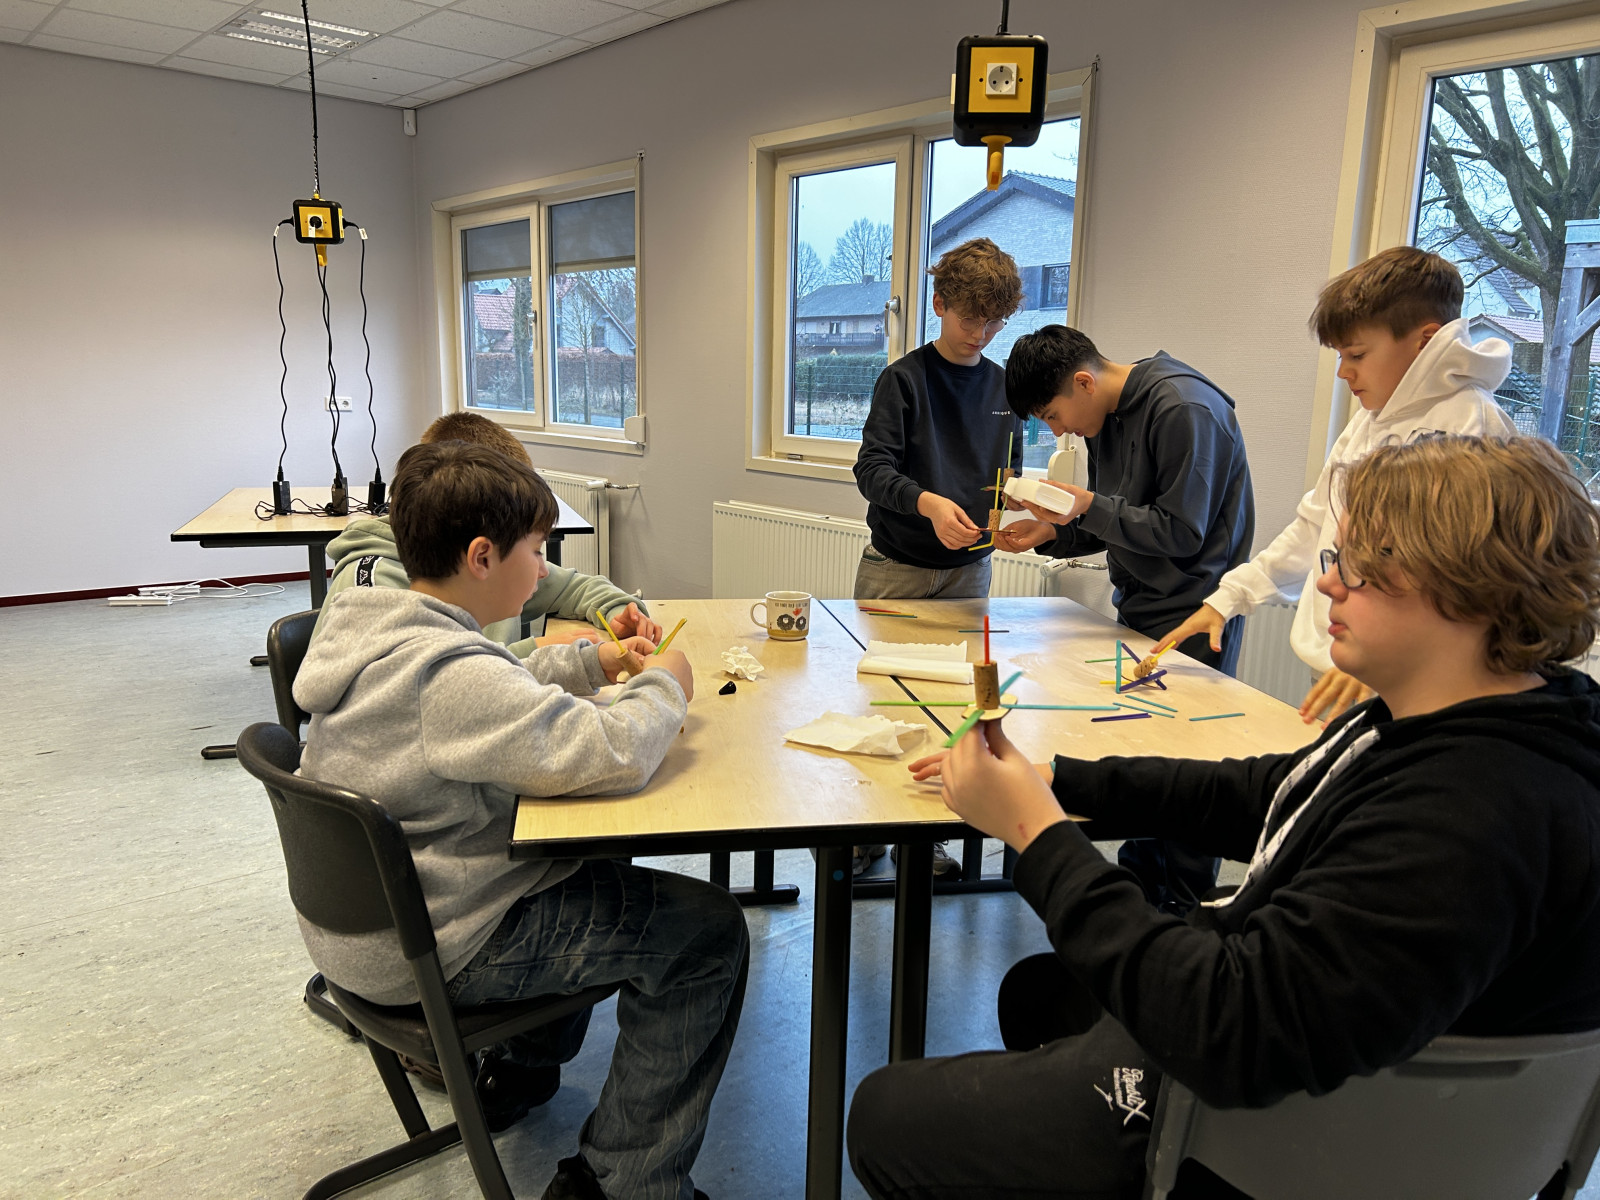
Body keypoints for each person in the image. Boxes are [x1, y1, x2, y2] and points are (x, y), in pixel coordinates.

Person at [847, 435, 1600, 1200]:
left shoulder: (1471, 814)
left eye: (1359, 567)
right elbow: (1273, 793)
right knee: (1043, 992)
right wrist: (1061, 782)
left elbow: (1228, 1027)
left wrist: (1035, 834)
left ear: (1469, 591)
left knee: (884, 1117)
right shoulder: (1488, 726)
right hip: (1333, 1083)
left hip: (1288, 1138)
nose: (1329, 584)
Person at [294, 440, 748, 1200]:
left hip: (370, 930)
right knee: (706, 935)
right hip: (430, 948)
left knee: (595, 862)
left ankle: (519, 1072)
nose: (543, 571)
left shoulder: (381, 626)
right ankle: (625, 1185)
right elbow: (611, 753)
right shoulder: (445, 677)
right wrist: (666, 686)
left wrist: (591, 663)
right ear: (481, 556)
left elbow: (491, 678)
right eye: (537, 551)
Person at [1153, 246, 1515, 725]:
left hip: (1411, 678)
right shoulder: (1369, 421)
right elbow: (1315, 527)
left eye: (1357, 355)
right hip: (1343, 663)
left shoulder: (1472, 423)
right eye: (1341, 356)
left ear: (1426, 341)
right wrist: (1229, 598)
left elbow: (1464, 572)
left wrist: (1387, 656)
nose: (1344, 371)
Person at [996, 325, 1255, 914]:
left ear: (1084, 382)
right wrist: (1053, 532)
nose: (1057, 431)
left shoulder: (1184, 407)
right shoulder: (1107, 416)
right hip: (1139, 607)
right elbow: (1121, 521)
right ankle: (1143, 905)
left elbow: (1180, 532)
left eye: (1053, 415)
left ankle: (1186, 918)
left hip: (1192, 615)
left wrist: (1084, 505)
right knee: (1147, 762)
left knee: (1188, 773)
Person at [851, 236, 1026, 877]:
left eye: (995, 322)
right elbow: (871, 470)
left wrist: (1013, 513)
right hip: (895, 569)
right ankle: (867, 830)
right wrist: (926, 502)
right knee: (885, 707)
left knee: (954, 710)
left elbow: (1010, 471)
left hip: (969, 571)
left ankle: (925, 839)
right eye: (970, 318)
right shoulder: (903, 381)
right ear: (939, 304)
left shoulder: (1005, 387)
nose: (981, 333)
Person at [315, 411, 660, 655]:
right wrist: (540, 652)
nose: (541, 568)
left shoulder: (488, 569)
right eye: (534, 549)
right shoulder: (371, 593)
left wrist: (618, 609)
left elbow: (570, 587)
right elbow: (431, 692)